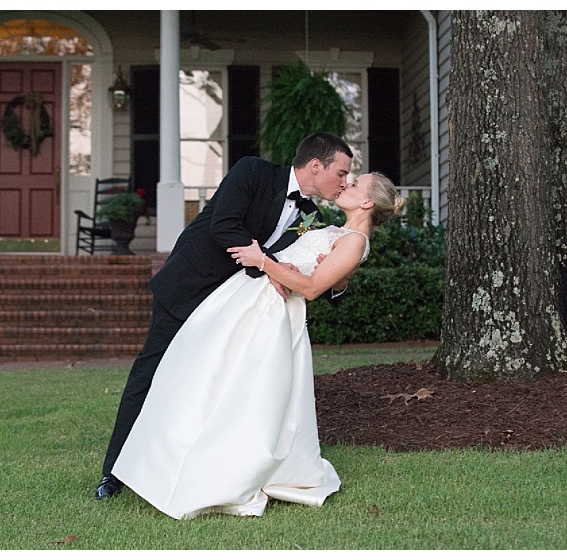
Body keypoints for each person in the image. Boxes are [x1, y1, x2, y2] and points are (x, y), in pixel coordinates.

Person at [111, 172, 405, 518]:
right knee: (204, 380)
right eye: (345, 176)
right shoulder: (331, 228)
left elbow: (311, 289)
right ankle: (161, 459)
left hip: (270, 316)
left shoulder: (354, 240)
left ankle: (224, 471)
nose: (346, 184)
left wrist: (262, 261)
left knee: (242, 394)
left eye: (354, 184)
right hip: (249, 301)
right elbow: (310, 270)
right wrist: (282, 265)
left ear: (368, 202)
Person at [95, 132, 354, 499]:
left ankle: (191, 470)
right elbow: (225, 226)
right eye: (341, 172)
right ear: (316, 165)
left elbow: (315, 278)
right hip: (190, 288)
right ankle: (114, 473)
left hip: (235, 310)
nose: (344, 182)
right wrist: (271, 265)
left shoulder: (310, 217)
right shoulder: (252, 172)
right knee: (150, 375)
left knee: (210, 388)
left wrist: (339, 277)